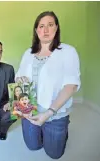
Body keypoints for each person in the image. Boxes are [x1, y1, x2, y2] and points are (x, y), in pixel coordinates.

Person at [15, 11, 81, 159]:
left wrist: (49, 112)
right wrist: (21, 80)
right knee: (33, 146)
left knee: (54, 154)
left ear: (56, 28)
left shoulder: (68, 52)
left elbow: (71, 85)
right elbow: (19, 76)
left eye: (50, 25)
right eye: (41, 26)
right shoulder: (28, 53)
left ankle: (62, 129)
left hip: (54, 114)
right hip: (29, 111)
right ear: (36, 30)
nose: (45, 30)